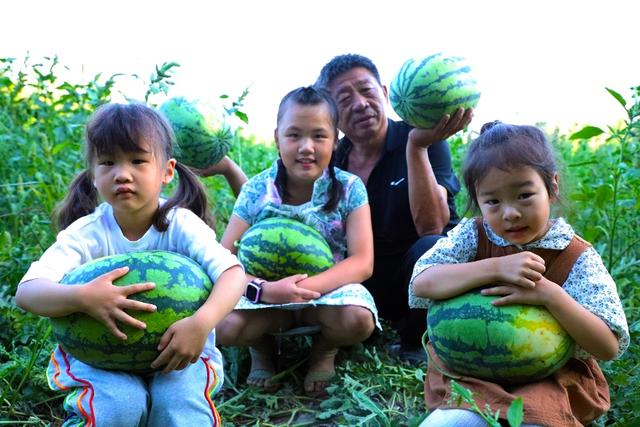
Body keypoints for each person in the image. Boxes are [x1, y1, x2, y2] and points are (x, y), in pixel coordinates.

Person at [14, 103, 246, 427]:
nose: (122, 173)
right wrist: (84, 298)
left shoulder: (181, 225)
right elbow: (27, 292)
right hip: (102, 359)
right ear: (94, 175)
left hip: (181, 353)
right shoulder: (86, 234)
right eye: (107, 162)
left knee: (179, 408)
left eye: (138, 161)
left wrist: (202, 323)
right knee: (118, 405)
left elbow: (233, 274)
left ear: (167, 171)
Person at [409, 121, 630, 426]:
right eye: (493, 201)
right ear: (478, 199)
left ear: (551, 187)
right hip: (473, 371)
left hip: (552, 378)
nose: (510, 213)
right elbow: (423, 282)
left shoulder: (575, 255)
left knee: (534, 419)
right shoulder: (472, 236)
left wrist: (550, 295)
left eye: (524, 195)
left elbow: (607, 346)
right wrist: (494, 267)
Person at [216, 86, 379, 396]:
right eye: (294, 135)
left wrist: (304, 289)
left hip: (326, 295)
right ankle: (261, 348)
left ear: (335, 140)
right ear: (277, 138)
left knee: (358, 320)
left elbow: (362, 261)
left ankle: (324, 349)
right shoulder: (256, 190)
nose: (306, 147)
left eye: (319, 136)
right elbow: (224, 259)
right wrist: (265, 290)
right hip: (265, 298)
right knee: (222, 325)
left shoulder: (350, 188)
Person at [315, 54, 473, 361]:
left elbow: (432, 227)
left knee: (430, 247)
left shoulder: (421, 138)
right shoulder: (333, 160)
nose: (360, 104)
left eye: (366, 90)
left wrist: (417, 148)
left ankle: (415, 339)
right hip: (366, 276)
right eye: (344, 98)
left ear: (385, 93)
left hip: (420, 276)